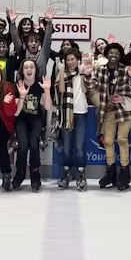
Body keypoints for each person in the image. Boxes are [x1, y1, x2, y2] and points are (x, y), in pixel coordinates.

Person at [82, 42, 131, 191]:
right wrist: (87, 75)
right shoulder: (101, 71)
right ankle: (111, 173)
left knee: (122, 139)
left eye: (116, 52)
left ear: (120, 55)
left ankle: (124, 175)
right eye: (111, 52)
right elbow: (91, 86)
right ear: (107, 55)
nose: (113, 54)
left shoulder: (127, 70)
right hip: (108, 111)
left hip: (124, 111)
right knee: (107, 141)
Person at [13, 60, 53, 192]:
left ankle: (35, 177)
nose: (29, 69)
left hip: (36, 119)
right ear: (22, 71)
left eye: (31, 67)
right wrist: (22, 96)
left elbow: (47, 107)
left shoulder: (40, 85)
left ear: (35, 70)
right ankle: (19, 175)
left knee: (34, 146)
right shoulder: (18, 85)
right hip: (21, 120)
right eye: (26, 67)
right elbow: (16, 112)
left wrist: (47, 90)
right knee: (23, 146)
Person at [56, 49, 88, 191]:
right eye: (68, 60)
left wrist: (81, 73)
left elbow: (85, 90)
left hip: (81, 112)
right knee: (67, 148)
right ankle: (66, 173)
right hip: (66, 113)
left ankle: (81, 174)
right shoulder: (62, 73)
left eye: (72, 59)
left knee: (79, 148)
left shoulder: (84, 71)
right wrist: (62, 72)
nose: (70, 62)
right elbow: (61, 90)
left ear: (78, 59)